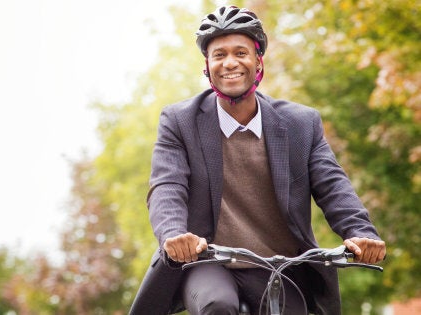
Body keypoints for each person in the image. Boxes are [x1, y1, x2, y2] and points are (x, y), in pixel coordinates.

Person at [129, 5, 386, 315]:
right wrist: (173, 235)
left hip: (276, 265)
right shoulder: (180, 121)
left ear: (258, 61)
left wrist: (361, 233)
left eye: (241, 52)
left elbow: (333, 185)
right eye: (219, 55)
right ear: (207, 67)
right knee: (218, 306)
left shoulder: (300, 124)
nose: (230, 63)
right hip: (208, 261)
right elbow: (167, 186)